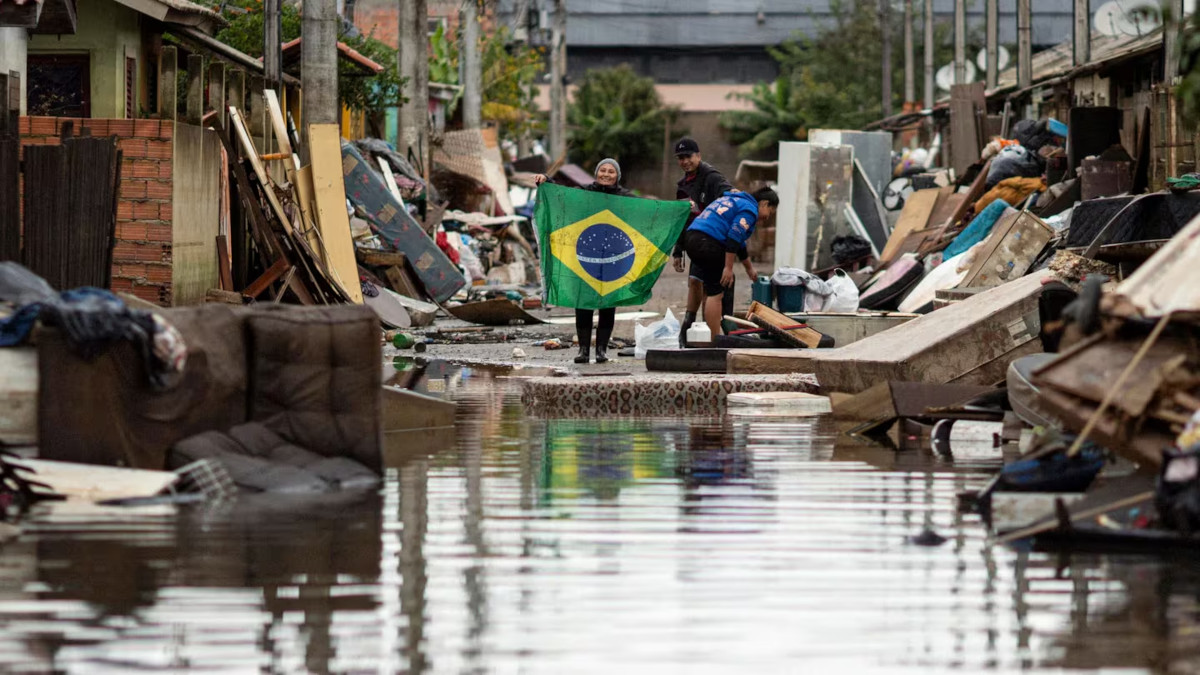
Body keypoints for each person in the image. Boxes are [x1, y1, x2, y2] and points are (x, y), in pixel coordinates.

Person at [534, 159, 630, 364]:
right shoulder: (584, 192)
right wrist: (547, 181)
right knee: (583, 302)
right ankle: (584, 351)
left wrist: (682, 207)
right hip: (586, 255)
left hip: (614, 258)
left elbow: (650, 210)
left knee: (608, 304)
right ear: (596, 173)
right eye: (602, 170)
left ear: (617, 176)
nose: (606, 174)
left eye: (611, 171)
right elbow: (563, 195)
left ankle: (602, 350)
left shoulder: (625, 198)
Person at [668, 137, 742, 344]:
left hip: (714, 242)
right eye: (680, 158)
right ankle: (690, 328)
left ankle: (717, 336)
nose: (685, 161)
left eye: (688, 156)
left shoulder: (711, 177)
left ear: (698, 156)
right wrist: (677, 251)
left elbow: (728, 192)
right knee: (694, 282)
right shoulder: (682, 186)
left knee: (713, 289)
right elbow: (682, 219)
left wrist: (733, 193)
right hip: (695, 243)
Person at [682, 187, 779, 340]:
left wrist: (749, 269)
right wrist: (728, 267)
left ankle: (704, 334)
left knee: (711, 285)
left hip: (692, 238)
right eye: (770, 212)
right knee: (717, 293)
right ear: (765, 203)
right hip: (708, 243)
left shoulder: (735, 200)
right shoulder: (750, 210)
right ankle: (714, 341)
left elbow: (739, 244)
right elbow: (733, 237)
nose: (767, 218)